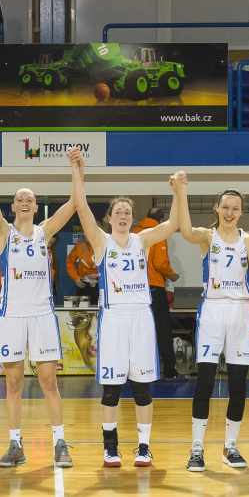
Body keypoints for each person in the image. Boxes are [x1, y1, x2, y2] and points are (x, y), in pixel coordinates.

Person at [0, 142, 78, 469]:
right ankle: (15, 444)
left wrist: (77, 168)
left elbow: (75, 203)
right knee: (14, 383)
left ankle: (60, 442)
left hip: (42, 315)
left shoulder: (44, 233)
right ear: (13, 207)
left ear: (35, 207)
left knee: (48, 381)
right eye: (19, 199)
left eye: (29, 199)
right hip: (12, 316)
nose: (23, 202)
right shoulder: (3, 234)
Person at [71, 161, 180, 468]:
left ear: (132, 218)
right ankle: (110, 447)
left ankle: (144, 447)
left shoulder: (141, 240)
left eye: (127, 212)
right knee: (112, 389)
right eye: (118, 212)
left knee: (143, 388)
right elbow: (81, 207)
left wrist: (179, 192)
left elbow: (173, 224)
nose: (123, 216)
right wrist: (78, 172)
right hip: (114, 318)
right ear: (109, 218)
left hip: (141, 318)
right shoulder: (101, 242)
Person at [173, 180, 249, 472]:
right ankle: (196, 448)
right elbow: (185, 230)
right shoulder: (208, 237)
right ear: (217, 209)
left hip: (240, 312)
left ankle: (230, 447)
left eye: (235, 208)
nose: (230, 213)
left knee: (238, 385)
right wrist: (181, 192)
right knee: (205, 382)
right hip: (213, 311)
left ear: (241, 212)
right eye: (226, 207)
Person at [134, 205, 179, 378]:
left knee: (139, 331)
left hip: (135, 290)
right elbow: (160, 263)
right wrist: (172, 275)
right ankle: (169, 369)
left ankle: (138, 369)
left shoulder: (134, 232)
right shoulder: (157, 234)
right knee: (162, 329)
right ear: (161, 220)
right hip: (154, 288)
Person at [65, 235, 99, 305]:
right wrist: (76, 278)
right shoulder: (79, 246)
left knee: (99, 308)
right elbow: (69, 262)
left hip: (100, 285)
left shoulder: (104, 245)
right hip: (83, 283)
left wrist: (99, 278)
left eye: (89, 233)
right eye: (85, 232)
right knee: (78, 309)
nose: (87, 235)